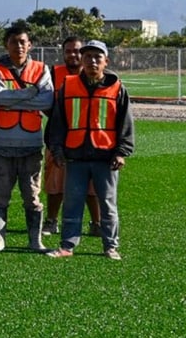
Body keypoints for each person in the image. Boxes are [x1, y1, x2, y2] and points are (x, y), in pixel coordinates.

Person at [46, 41, 135, 260]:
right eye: (87, 57)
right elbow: (58, 121)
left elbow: (126, 123)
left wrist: (122, 152)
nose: (92, 61)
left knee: (107, 204)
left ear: (106, 61)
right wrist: (56, 149)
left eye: (97, 57)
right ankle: (67, 246)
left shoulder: (117, 88)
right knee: (72, 203)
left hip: (106, 157)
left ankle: (110, 246)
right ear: (82, 60)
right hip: (75, 156)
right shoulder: (68, 86)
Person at [0, 21, 53, 252]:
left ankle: (35, 240)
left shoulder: (42, 69)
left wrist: (13, 98)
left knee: (32, 197)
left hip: (32, 143)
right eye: (14, 42)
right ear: (6, 45)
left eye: (23, 42)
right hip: (1, 143)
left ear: (30, 45)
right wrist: (30, 93)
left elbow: (47, 101)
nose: (19, 46)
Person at [43, 36, 103, 236]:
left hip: (89, 141)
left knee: (91, 185)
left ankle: (96, 223)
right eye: (68, 51)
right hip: (58, 138)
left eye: (77, 51)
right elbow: (46, 104)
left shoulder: (97, 77)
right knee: (55, 183)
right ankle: (51, 221)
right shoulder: (53, 73)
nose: (73, 55)